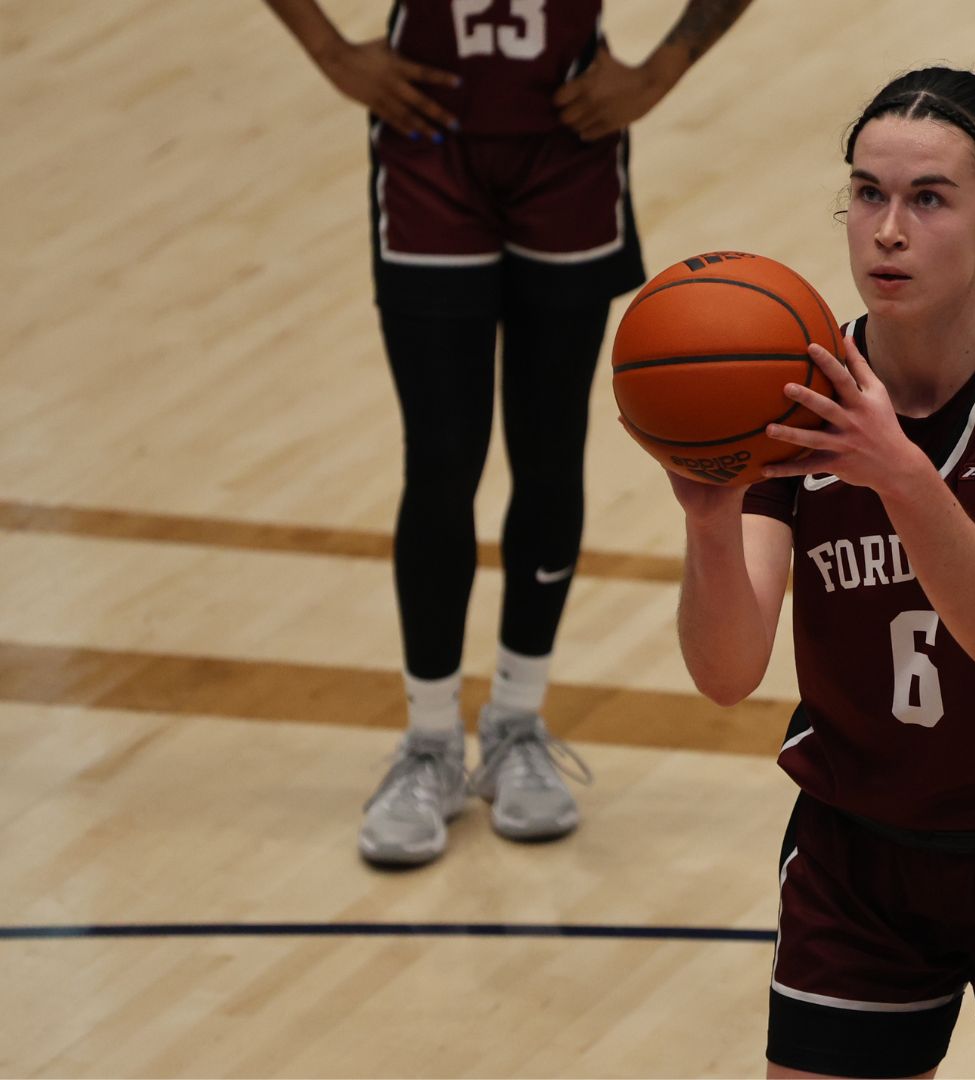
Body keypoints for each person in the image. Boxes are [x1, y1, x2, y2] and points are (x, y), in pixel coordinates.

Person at [670, 67, 975, 1080]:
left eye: (928, 198)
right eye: (869, 193)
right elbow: (727, 671)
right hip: (860, 864)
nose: (887, 229)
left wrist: (897, 470)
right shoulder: (791, 399)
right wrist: (712, 519)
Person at [263, 0, 753, 866]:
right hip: (430, 146)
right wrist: (329, 50)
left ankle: (517, 724)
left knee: (550, 451)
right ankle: (428, 744)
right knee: (443, 460)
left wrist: (661, 68)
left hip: (569, 145)